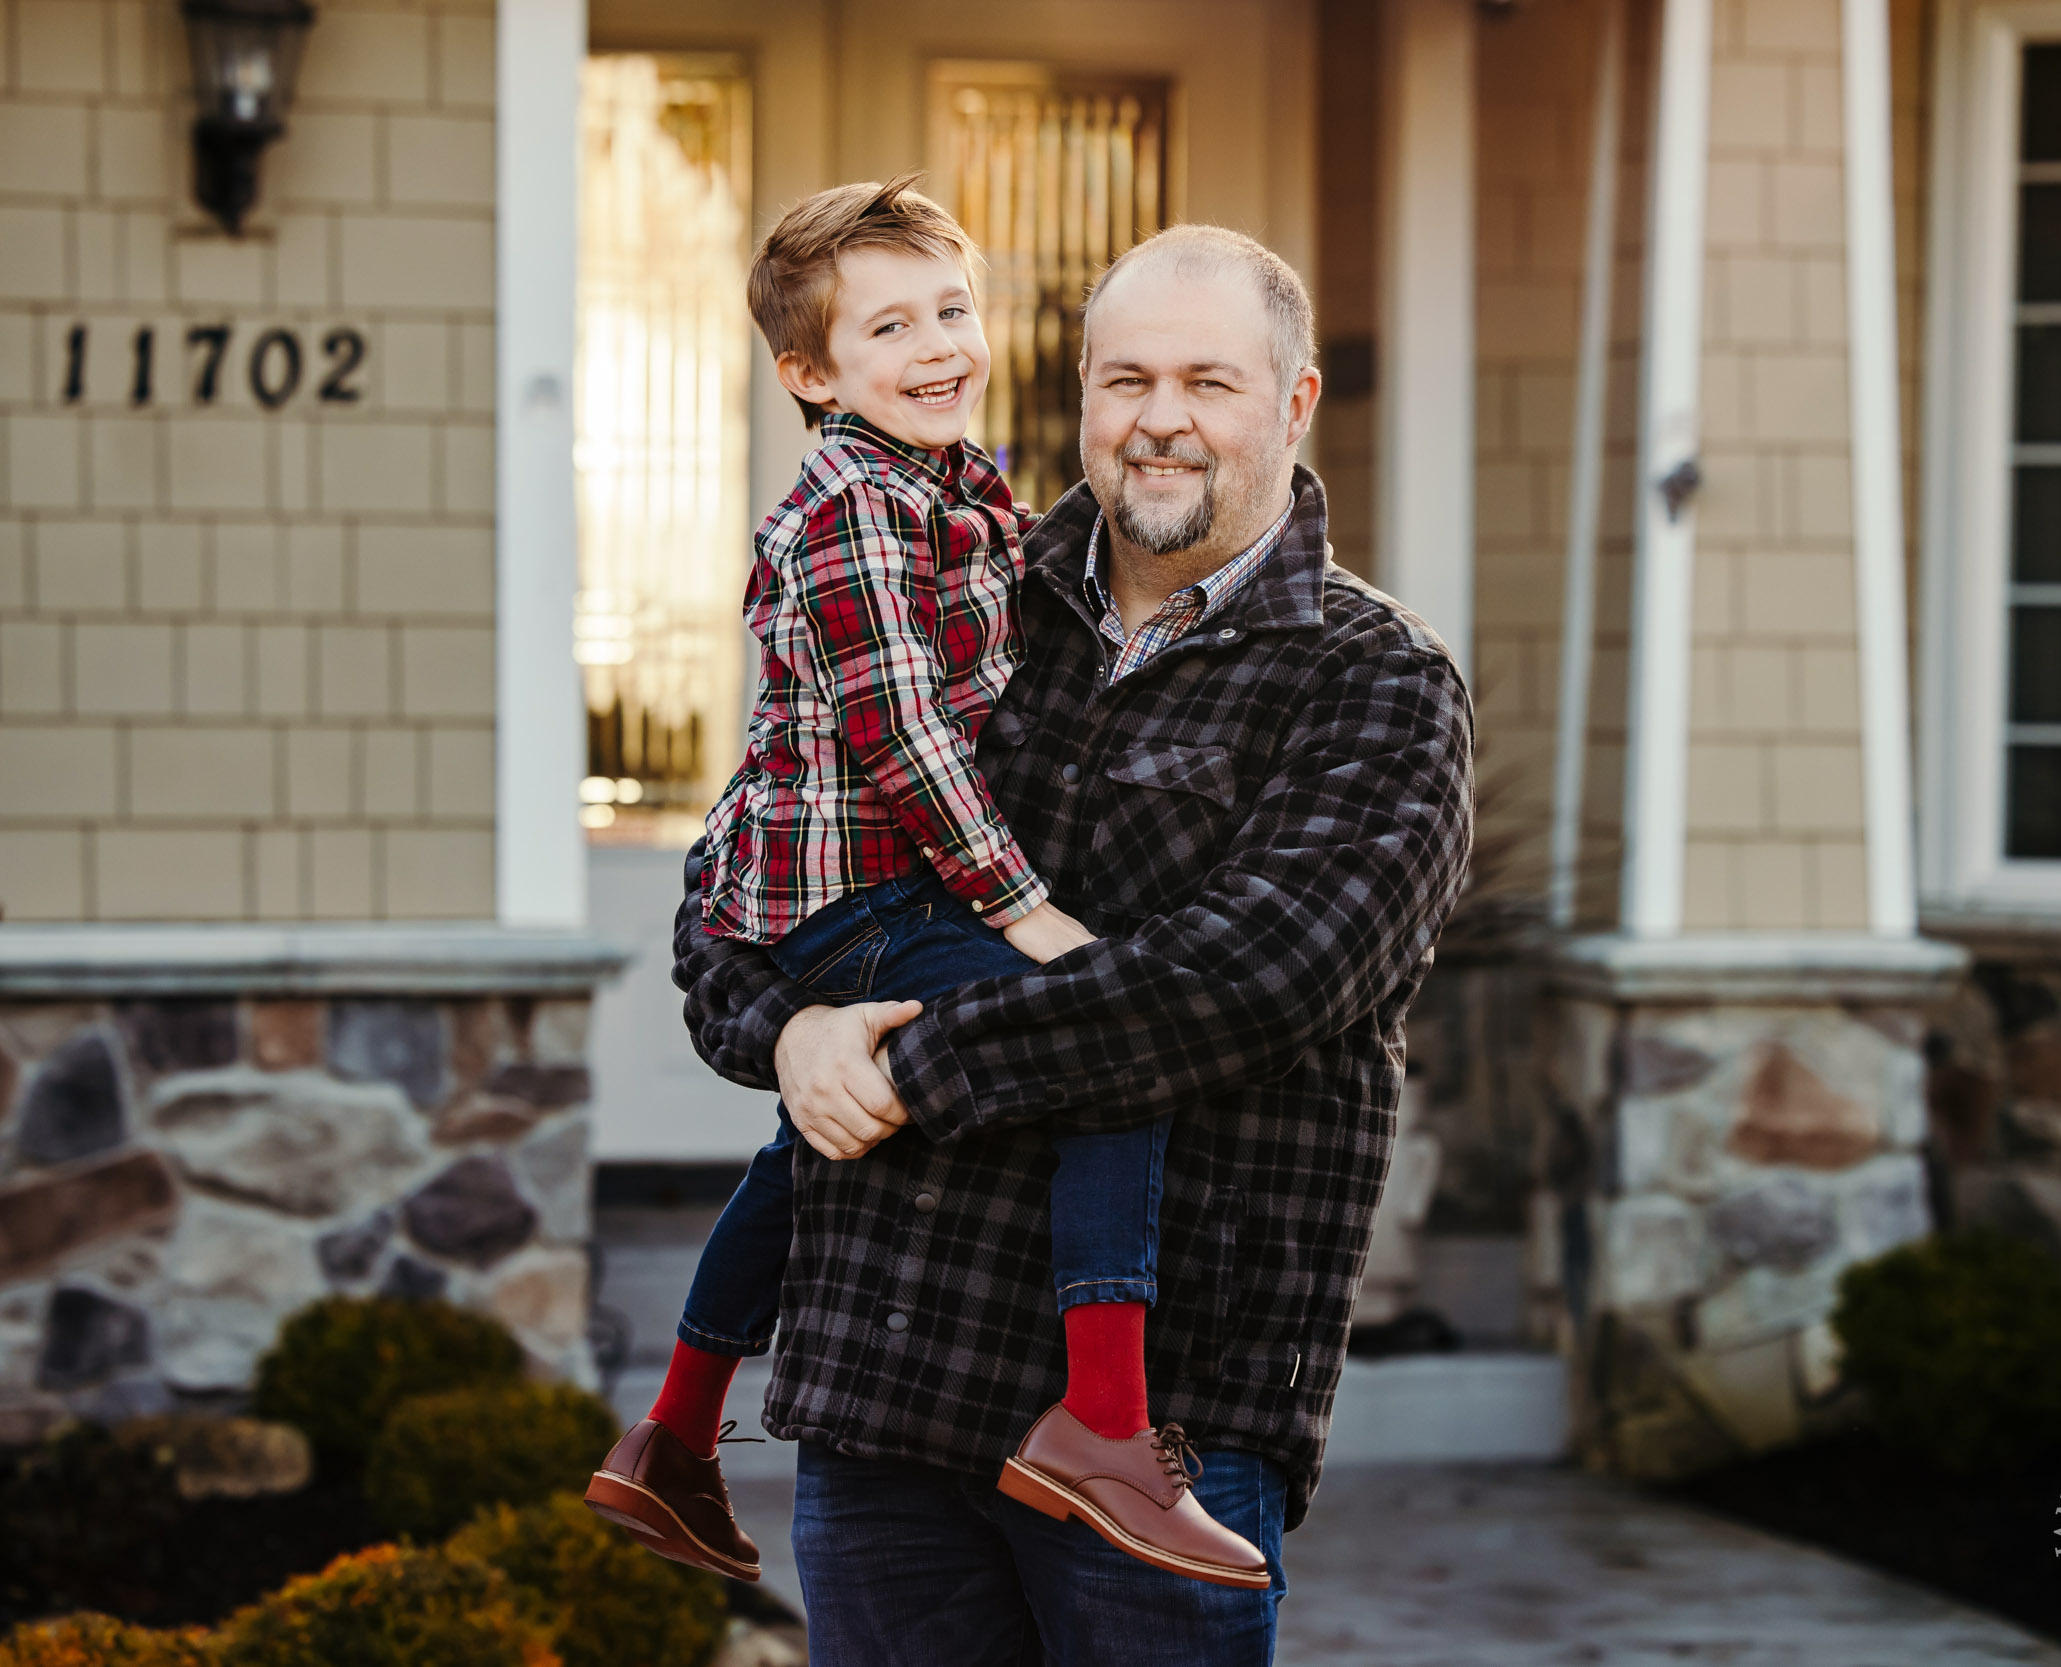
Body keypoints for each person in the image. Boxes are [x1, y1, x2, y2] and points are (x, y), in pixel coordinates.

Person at [649, 221, 1476, 1665]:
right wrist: (790, 1033)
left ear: (1293, 402)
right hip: (885, 1391)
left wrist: (903, 1067)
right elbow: (743, 883)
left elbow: (1246, 982)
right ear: (1081, 395)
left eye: (1212, 383)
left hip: (1168, 1431)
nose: (1162, 419)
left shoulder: (1376, 682)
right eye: (1125, 378)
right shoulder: (950, 587)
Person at [584, 176, 1269, 1593]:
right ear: (811, 373)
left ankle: (673, 1437)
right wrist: (1027, 912)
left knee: (811, 1142)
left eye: (953, 308)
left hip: (882, 891)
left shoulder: (953, 487)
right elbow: (905, 740)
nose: (939, 344)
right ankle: (1104, 1423)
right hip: (865, 897)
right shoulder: (847, 508)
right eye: (889, 326)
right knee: (1109, 1047)